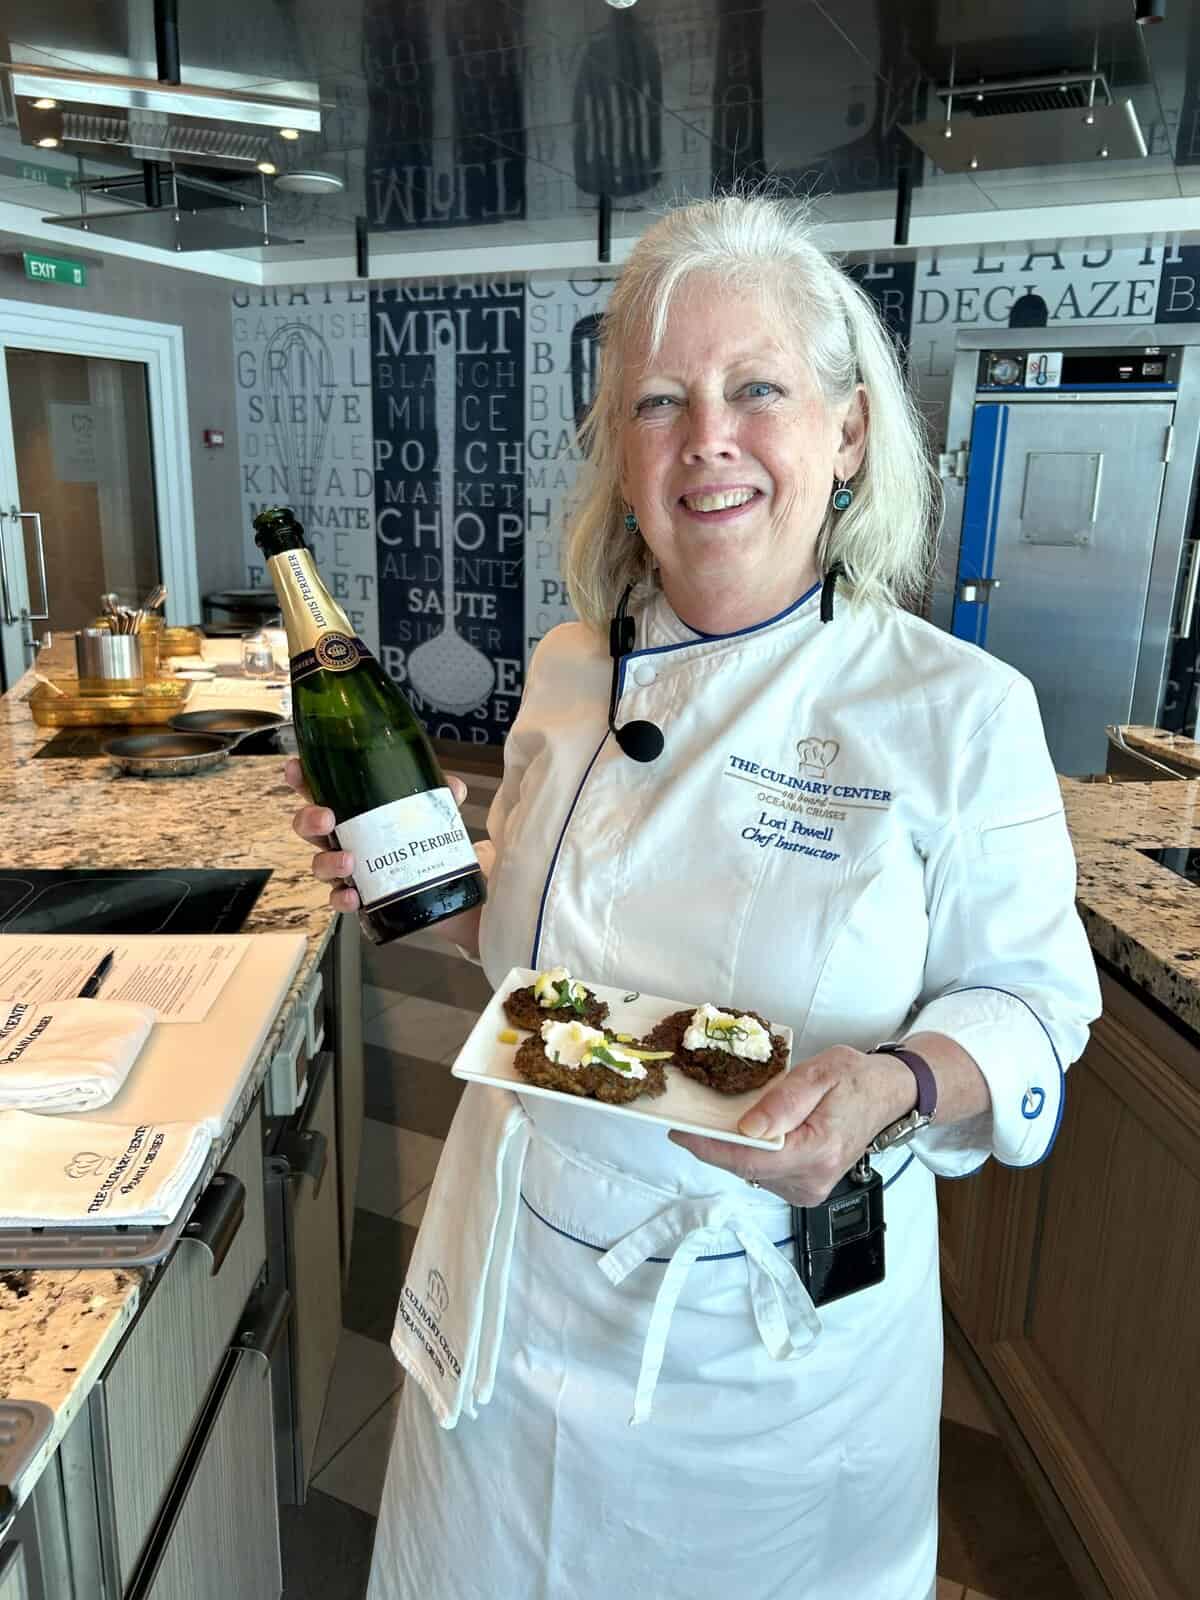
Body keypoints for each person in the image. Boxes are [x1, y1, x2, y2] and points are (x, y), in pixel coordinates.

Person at [288, 195, 1101, 1600]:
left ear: (847, 433)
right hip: (521, 1289)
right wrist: (421, 887)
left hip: (768, 1335)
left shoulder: (957, 710)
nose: (705, 437)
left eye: (757, 389)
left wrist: (895, 1084)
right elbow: (541, 950)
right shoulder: (567, 670)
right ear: (620, 451)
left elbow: (1036, 1006)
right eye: (658, 400)